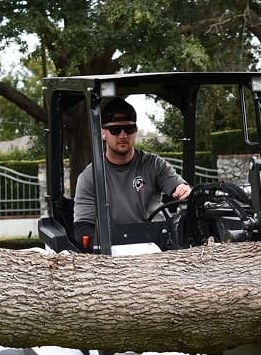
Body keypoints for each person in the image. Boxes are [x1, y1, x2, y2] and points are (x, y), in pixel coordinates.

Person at [72, 97, 192, 249]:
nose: (123, 135)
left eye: (129, 129)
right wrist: (102, 245)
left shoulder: (154, 164)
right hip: (114, 249)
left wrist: (182, 189)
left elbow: (177, 185)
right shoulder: (89, 177)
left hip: (158, 245)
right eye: (115, 130)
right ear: (103, 133)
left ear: (135, 131)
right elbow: (83, 227)